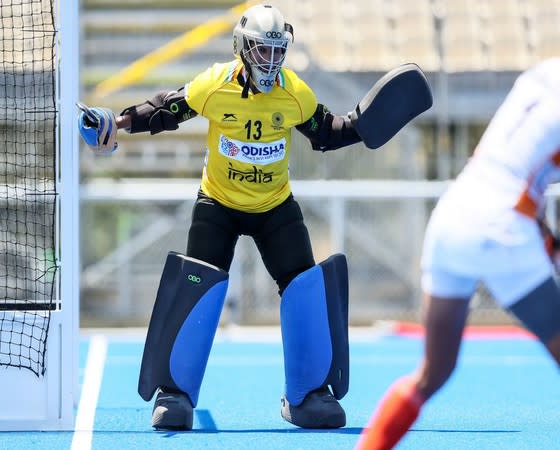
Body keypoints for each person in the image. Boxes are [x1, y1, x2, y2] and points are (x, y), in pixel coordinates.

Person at [78, 4, 431, 432]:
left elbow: (327, 132)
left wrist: (362, 124)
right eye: (262, 51)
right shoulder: (215, 85)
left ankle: (308, 394)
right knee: (197, 287)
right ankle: (174, 393)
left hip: (274, 207)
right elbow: (166, 109)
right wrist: (115, 123)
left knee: (304, 285)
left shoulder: (293, 92)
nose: (271, 61)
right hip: (218, 204)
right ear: (243, 50)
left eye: (277, 52)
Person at [354, 57, 560, 450]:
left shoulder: (540, 75)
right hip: (502, 226)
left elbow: (519, 166)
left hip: (453, 215)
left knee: (433, 374)